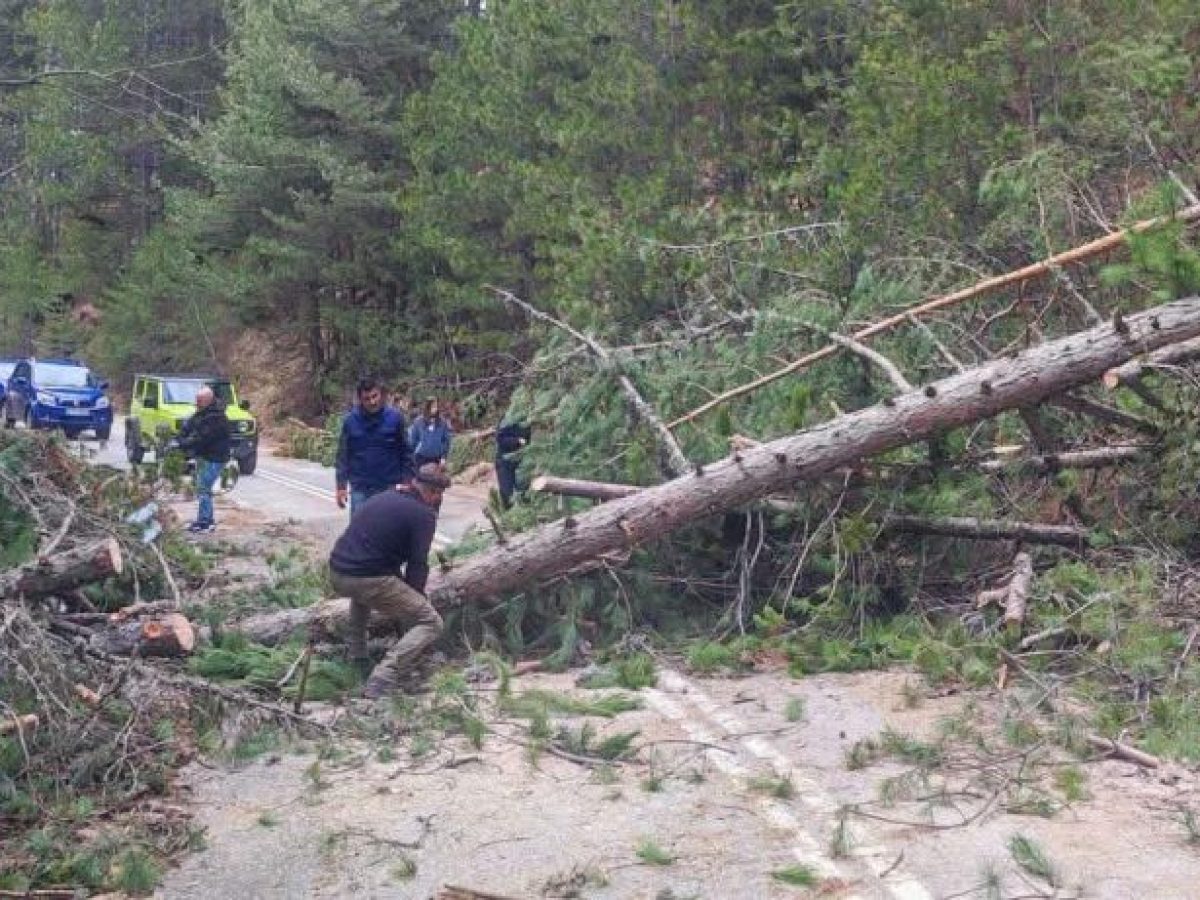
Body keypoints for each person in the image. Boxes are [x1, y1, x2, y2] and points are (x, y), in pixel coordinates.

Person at [328, 464, 452, 698]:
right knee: (431, 621)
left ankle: (358, 659)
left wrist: (405, 597)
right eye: (439, 496)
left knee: (363, 596)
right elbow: (417, 563)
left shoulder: (386, 496)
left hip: (338, 572)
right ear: (434, 493)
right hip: (365, 575)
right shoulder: (423, 515)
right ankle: (384, 678)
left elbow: (385, 555)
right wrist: (416, 599)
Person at [335, 377, 414, 514]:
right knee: (360, 533)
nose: (372, 402)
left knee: (389, 532)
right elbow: (343, 455)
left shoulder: (395, 418)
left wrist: (408, 481)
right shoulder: (350, 421)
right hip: (361, 489)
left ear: (380, 394)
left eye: (375, 396)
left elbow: (406, 452)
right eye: (367, 398)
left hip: (389, 488)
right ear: (360, 399)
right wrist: (341, 486)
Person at [174, 385, 231, 534]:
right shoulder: (202, 413)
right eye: (196, 400)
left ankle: (206, 522)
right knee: (202, 488)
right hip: (206, 456)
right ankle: (203, 520)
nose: (196, 404)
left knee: (203, 488)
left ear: (208, 400)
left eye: (199, 401)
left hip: (215, 458)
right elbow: (190, 425)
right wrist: (180, 436)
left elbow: (201, 438)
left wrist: (183, 444)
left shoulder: (216, 418)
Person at [494, 420, 531, 508]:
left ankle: (524, 513)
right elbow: (500, 439)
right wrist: (517, 441)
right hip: (504, 461)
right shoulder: (507, 419)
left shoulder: (526, 420)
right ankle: (507, 515)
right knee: (507, 492)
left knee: (524, 490)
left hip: (521, 460)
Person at [409, 398, 453, 470]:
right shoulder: (418, 422)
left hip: (436, 458)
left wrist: (444, 457)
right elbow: (412, 440)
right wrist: (411, 457)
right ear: (427, 407)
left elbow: (447, 441)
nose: (435, 408)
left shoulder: (442, 423)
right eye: (433, 406)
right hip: (421, 457)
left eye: (436, 406)